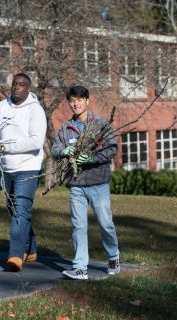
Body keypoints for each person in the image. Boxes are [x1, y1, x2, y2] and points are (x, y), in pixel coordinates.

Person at [0, 72, 47, 272]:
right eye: (15, 84)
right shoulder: (0, 107)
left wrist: (6, 147)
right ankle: (31, 248)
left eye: (22, 84)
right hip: (6, 168)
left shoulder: (36, 110)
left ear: (28, 88)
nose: (17, 87)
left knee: (21, 210)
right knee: (14, 210)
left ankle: (15, 256)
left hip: (28, 167)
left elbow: (35, 142)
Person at [51, 85, 120, 280]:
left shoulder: (100, 124)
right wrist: (63, 152)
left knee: (105, 223)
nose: (76, 104)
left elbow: (112, 149)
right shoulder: (65, 128)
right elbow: (55, 150)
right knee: (78, 226)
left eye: (80, 100)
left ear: (87, 101)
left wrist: (92, 158)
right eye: (72, 100)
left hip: (98, 183)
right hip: (77, 185)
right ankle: (80, 267)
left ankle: (113, 257)